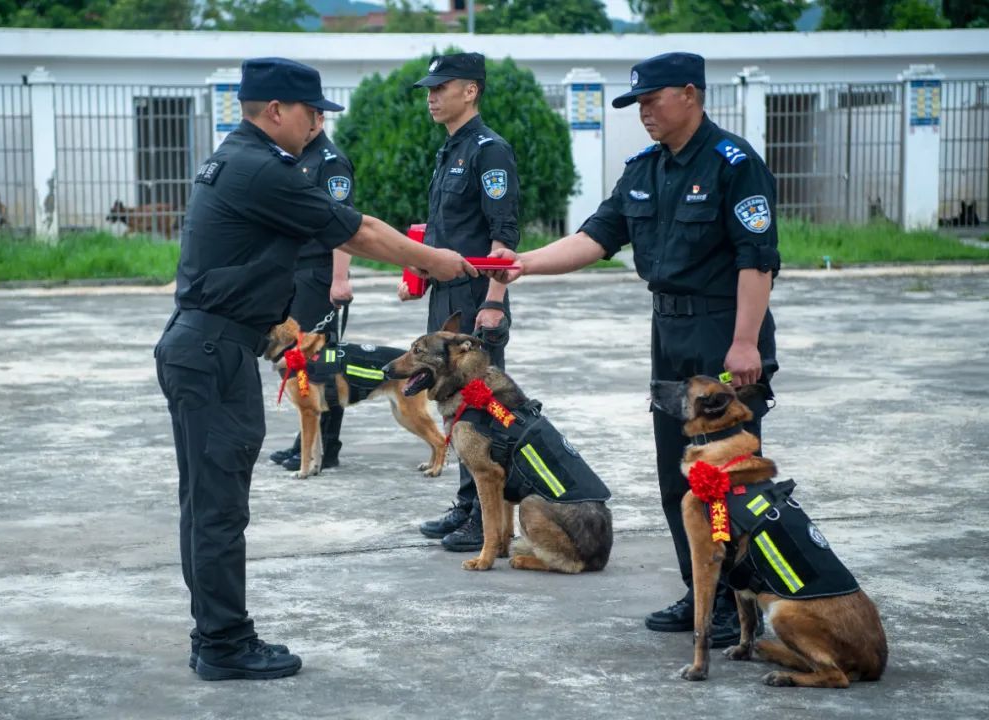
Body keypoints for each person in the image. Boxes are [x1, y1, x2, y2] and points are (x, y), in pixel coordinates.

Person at [155, 57, 475, 681]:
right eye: (312, 110)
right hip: (214, 352)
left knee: (207, 502)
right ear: (276, 110)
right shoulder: (261, 169)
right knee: (217, 507)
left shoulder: (240, 157)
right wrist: (435, 259)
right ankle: (223, 643)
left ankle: (215, 634)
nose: (319, 121)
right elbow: (358, 231)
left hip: (209, 346)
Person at [486, 52, 779, 648]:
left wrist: (745, 343)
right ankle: (700, 593)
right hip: (667, 334)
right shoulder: (645, 168)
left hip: (722, 331)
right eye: (637, 103)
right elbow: (597, 237)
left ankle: (735, 607)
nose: (643, 111)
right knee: (677, 479)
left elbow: (757, 258)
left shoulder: (734, 163)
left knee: (725, 480)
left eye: (651, 99)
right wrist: (525, 264)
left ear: (691, 95)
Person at [399, 52, 520, 553]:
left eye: (441, 87)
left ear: (470, 91)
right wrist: (422, 274)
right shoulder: (451, 150)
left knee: (481, 409)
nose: (431, 96)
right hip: (448, 297)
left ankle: (484, 518)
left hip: (477, 299)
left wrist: (493, 303)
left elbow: (503, 236)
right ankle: (467, 504)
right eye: (429, 88)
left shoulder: (490, 151)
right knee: (454, 406)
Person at [269, 110, 355, 472]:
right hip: (296, 272)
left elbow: (344, 226)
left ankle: (328, 445)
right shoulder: (296, 156)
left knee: (321, 362)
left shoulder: (330, 163)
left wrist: (339, 279)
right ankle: (307, 440)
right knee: (297, 360)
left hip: (319, 274)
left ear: (318, 119)